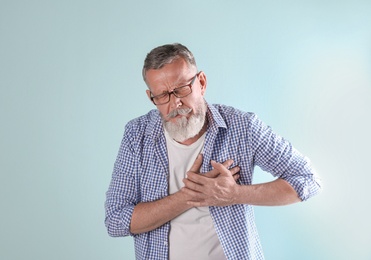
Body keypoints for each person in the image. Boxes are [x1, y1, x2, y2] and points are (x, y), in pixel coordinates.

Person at [105, 43, 321, 260]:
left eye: (182, 88)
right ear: (150, 96)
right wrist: (188, 196)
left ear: (201, 82)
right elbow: (115, 220)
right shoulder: (137, 135)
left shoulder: (243, 127)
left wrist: (234, 194)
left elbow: (308, 180)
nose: (175, 102)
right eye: (162, 95)